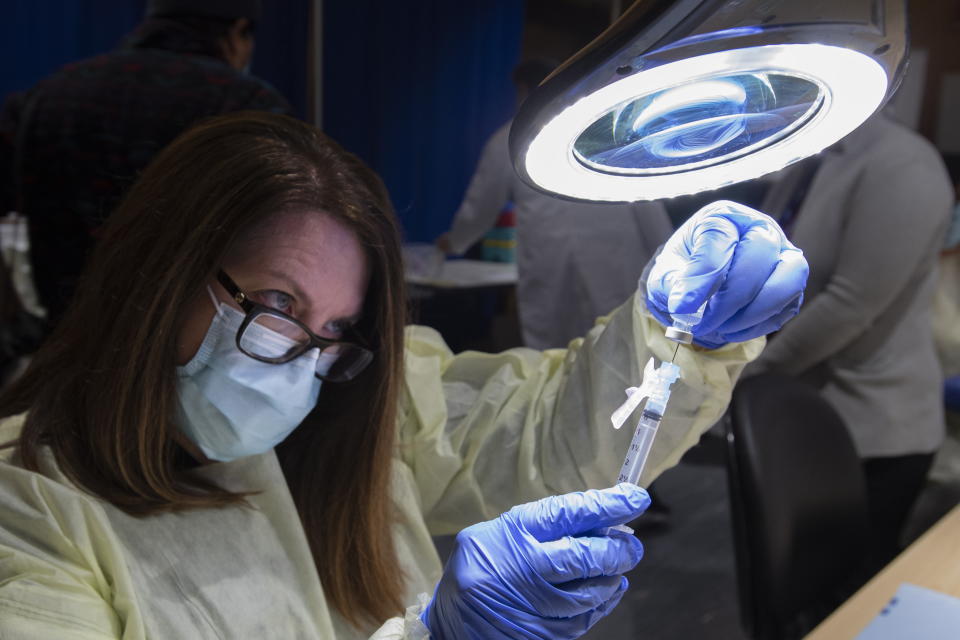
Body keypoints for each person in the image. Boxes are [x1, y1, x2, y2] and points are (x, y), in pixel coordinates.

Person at [0, 112, 806, 639]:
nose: (300, 366)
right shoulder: (28, 512)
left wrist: (673, 337)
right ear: (158, 274)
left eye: (336, 332)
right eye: (278, 303)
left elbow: (542, 431)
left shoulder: (346, 419)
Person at [746, 112, 953, 571]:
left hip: (875, 429)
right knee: (797, 578)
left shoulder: (901, 164)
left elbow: (849, 304)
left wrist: (749, 374)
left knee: (850, 585)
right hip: (802, 409)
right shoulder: (814, 158)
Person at [0, 0, 290, 327]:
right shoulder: (248, 107)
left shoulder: (51, 94)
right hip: (178, 345)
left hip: (65, 336)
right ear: (238, 31)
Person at [436, 60, 674, 350]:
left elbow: (481, 205)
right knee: (620, 344)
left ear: (523, 91)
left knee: (559, 353)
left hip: (554, 256)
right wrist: (669, 254)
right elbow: (647, 201)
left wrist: (457, 240)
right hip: (610, 255)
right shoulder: (605, 130)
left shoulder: (510, 137)